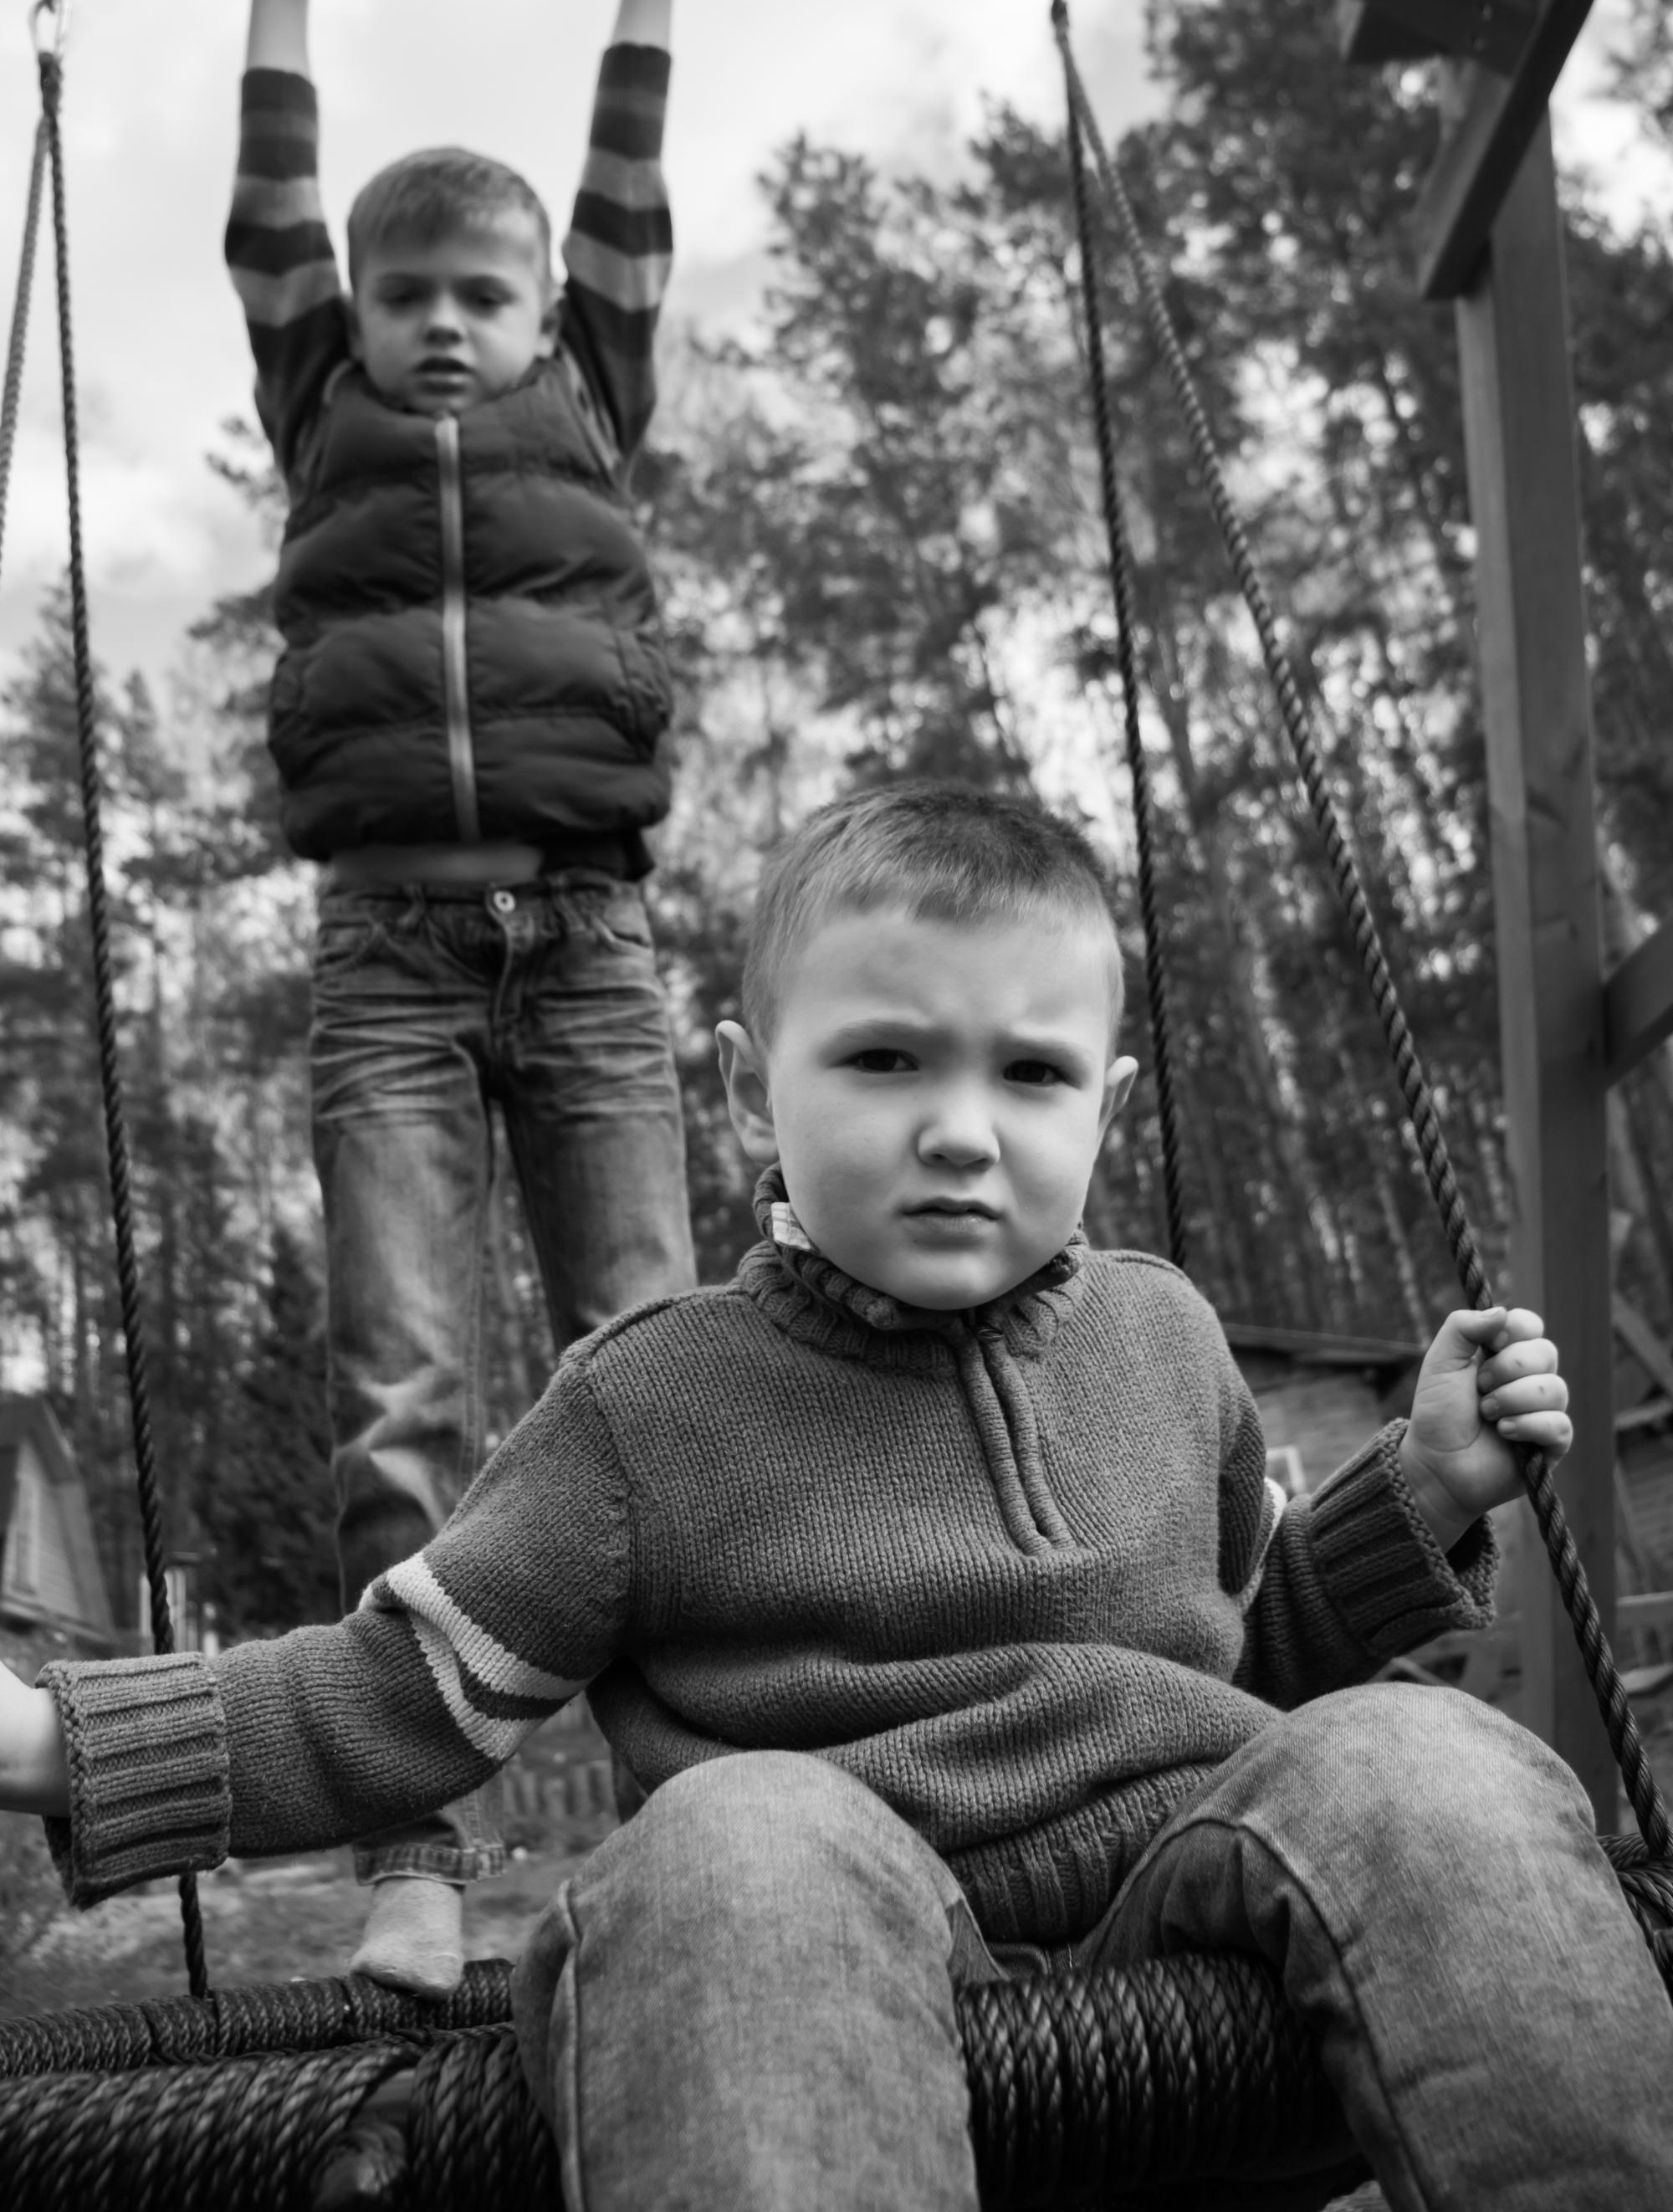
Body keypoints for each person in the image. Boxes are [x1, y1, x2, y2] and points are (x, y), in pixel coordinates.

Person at [3, 780, 1670, 2211]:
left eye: (1029, 1074)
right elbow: (399, 1693)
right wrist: (64, 1744)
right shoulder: (650, 1404)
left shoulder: (1166, 1335)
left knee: (1427, 1756)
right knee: (736, 1836)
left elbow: (1249, 1658)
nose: (958, 1131)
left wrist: (1421, 1493)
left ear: (1109, 1104)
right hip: (842, 1957)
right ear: (746, 1091)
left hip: (1201, 1906)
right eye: (883, 1060)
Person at [223, 0, 698, 1994]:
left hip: (587, 944)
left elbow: (624, 179)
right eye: (402, 290)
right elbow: (265, 223)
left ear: (544, 319)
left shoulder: (594, 382)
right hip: (390, 963)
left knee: (663, 1369)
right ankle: (411, 1851)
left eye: (476, 295)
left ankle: (709, 1799)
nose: (433, 322)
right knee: (402, 1394)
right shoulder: (317, 392)